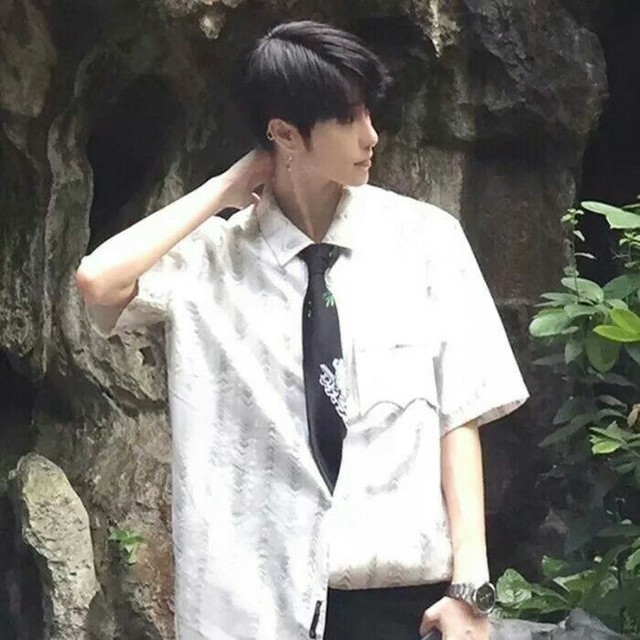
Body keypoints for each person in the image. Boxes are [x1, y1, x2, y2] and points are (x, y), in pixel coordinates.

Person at [76, 20, 529, 640]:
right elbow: (98, 282)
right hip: (256, 608)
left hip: (400, 601)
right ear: (285, 134)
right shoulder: (211, 260)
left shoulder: (426, 239)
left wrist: (469, 591)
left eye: (369, 111)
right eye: (348, 118)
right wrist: (223, 188)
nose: (371, 135)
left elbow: (460, 416)